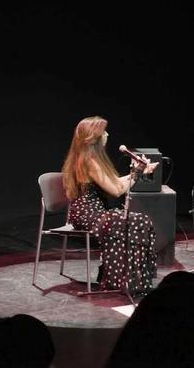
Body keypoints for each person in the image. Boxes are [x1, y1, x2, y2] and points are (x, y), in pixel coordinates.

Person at [62, 116, 159, 293]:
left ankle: (127, 278)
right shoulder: (89, 161)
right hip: (87, 215)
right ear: (95, 137)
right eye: (104, 131)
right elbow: (116, 191)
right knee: (135, 221)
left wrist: (137, 172)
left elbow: (114, 182)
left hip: (96, 212)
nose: (107, 134)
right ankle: (120, 279)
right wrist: (137, 173)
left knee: (138, 220)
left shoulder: (89, 158)